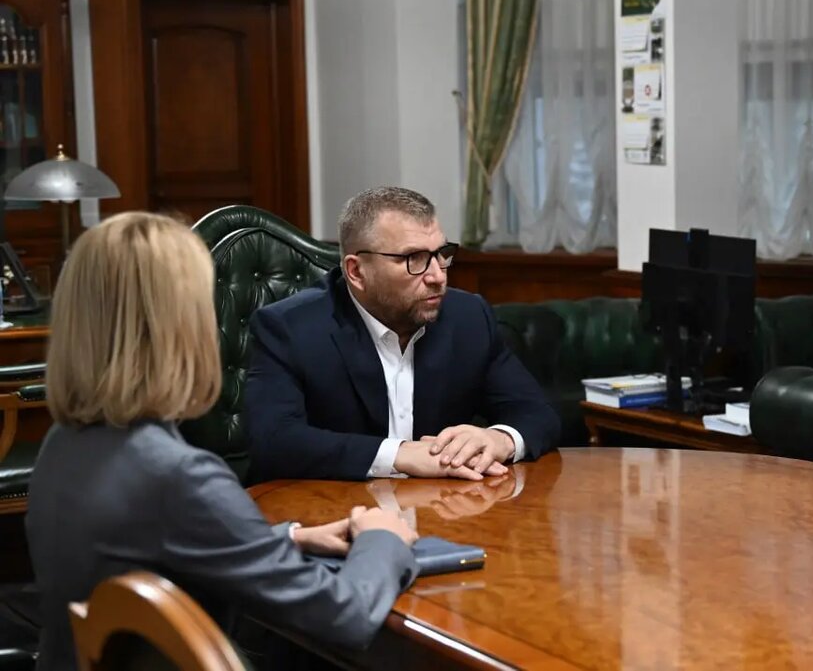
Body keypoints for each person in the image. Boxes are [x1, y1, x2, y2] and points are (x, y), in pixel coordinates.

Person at [25, 212, 420, 671]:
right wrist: (382, 540)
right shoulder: (179, 476)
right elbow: (345, 617)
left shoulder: (62, 444)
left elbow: (150, 542)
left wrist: (288, 539)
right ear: (182, 326)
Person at [244, 187, 560, 483]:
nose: (437, 276)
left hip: (444, 510)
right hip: (334, 511)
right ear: (356, 271)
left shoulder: (468, 317)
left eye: (442, 254)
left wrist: (499, 439)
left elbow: (537, 412)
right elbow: (274, 441)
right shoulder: (291, 328)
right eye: (414, 259)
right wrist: (400, 455)